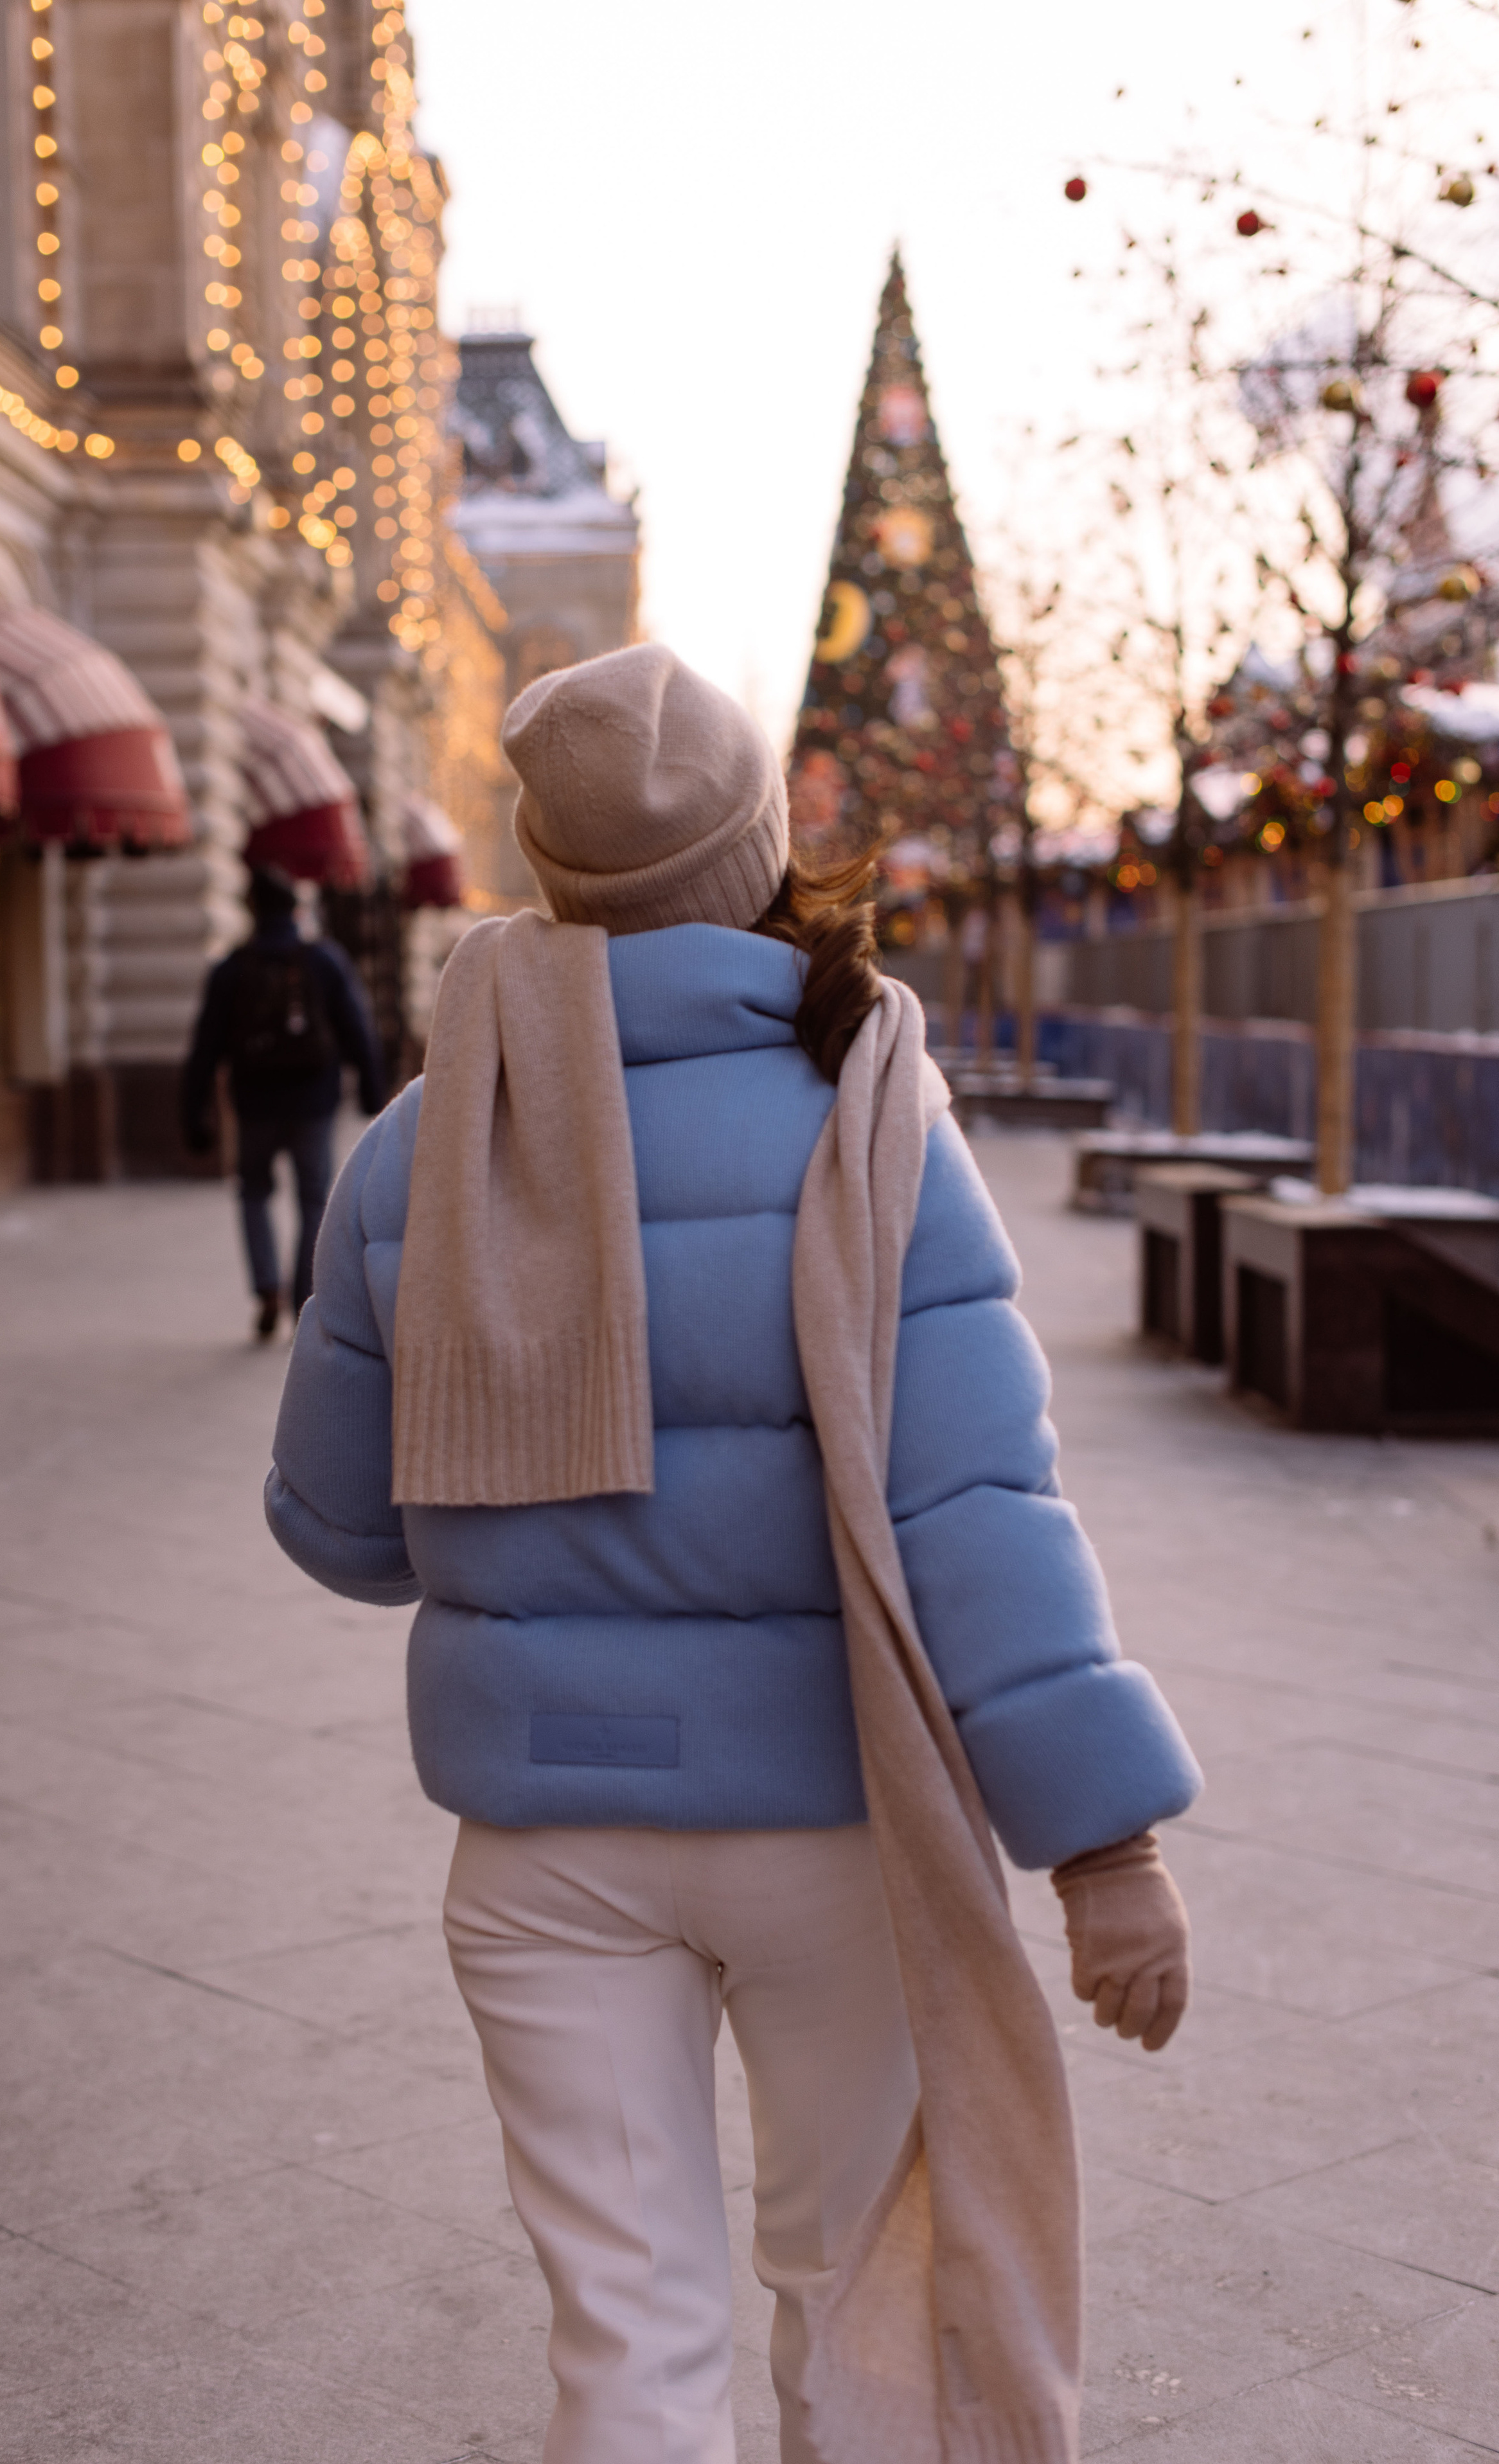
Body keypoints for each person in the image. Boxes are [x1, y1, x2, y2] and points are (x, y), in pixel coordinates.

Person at [265, 646, 1202, 2464]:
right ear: (762, 848)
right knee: (857, 2302)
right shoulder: (871, 1113)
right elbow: (975, 1514)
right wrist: (1110, 1845)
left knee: (627, 2347)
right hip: (829, 1823)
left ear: (552, 867)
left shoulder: (421, 1142)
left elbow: (344, 1534)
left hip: (542, 1844)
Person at [181, 865, 386, 1339]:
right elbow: (358, 1026)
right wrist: (374, 1092)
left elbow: (204, 1047)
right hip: (314, 1101)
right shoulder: (323, 960)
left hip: (253, 1103)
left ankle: (266, 1287)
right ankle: (303, 1300)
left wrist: (193, 1113)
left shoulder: (232, 968)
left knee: (253, 1192)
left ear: (252, 910)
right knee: (313, 1198)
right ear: (295, 909)